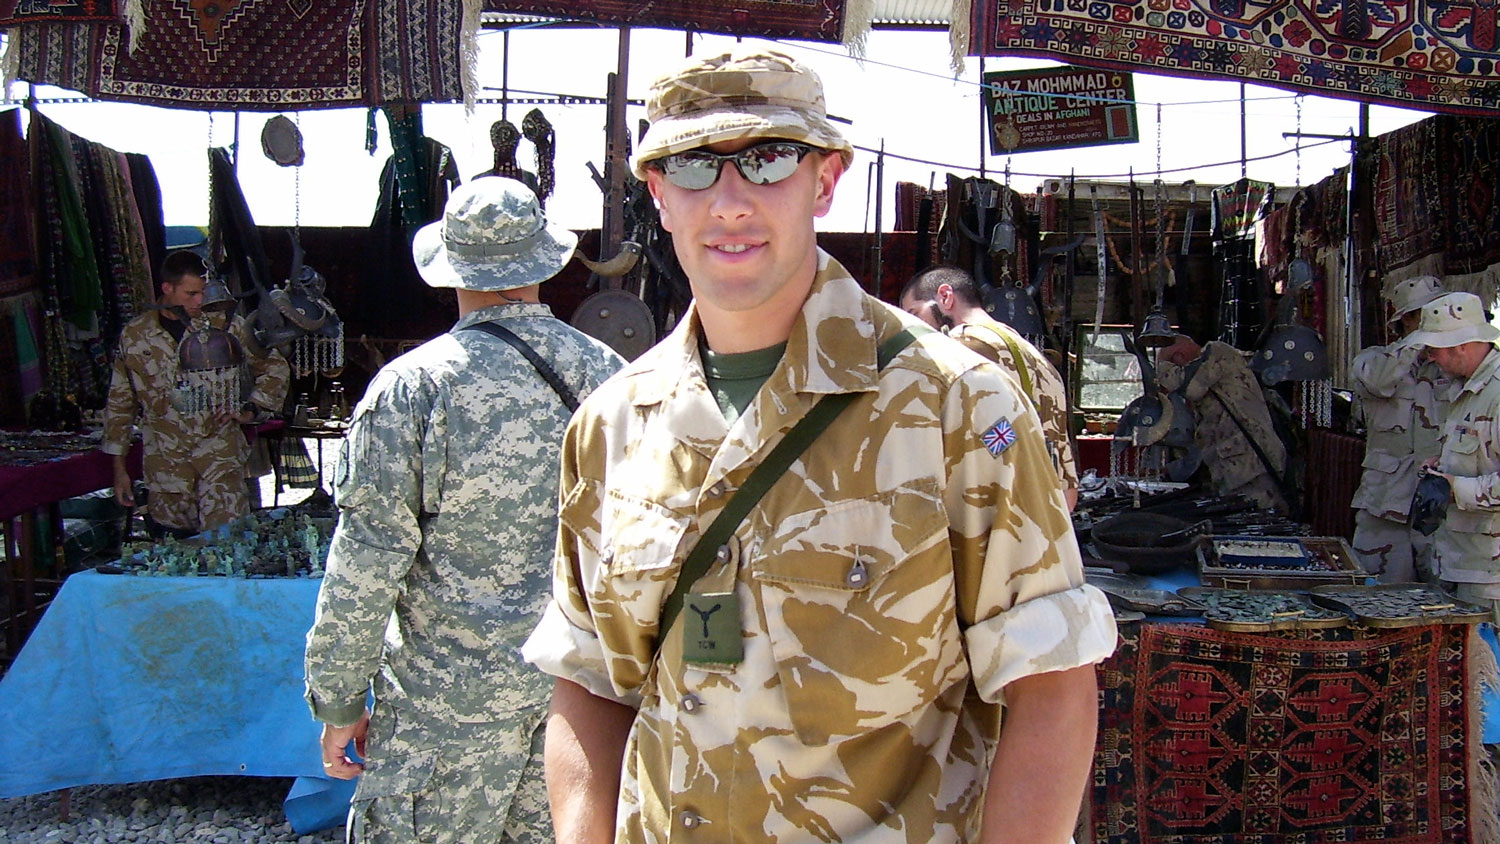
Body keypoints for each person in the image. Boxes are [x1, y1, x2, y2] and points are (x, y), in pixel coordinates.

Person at [521, 49, 1117, 844]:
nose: (730, 202)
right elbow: (591, 681)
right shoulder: (611, 426)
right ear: (658, 195)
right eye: (693, 167)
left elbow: (1052, 684)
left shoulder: (954, 405)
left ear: (825, 180)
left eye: (768, 161)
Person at [303, 177, 625, 844]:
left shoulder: (413, 389)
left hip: (443, 713)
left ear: (450, 268)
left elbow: (365, 564)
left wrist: (338, 700)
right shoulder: (614, 378)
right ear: (544, 261)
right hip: (577, 708)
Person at [102, 250, 290, 537]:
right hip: (167, 470)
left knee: (228, 552)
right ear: (167, 288)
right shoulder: (136, 335)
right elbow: (120, 403)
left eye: (203, 292)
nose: (200, 301)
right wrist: (119, 471)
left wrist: (251, 409)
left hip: (220, 465)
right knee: (174, 559)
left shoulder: (226, 327)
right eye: (190, 294)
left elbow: (274, 368)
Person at [899, 264, 1080, 510]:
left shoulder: (953, 350)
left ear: (945, 296)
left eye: (915, 313)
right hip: (1048, 521)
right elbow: (1068, 482)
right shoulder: (1038, 358)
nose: (914, 327)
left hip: (990, 518)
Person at [1350, 275, 1451, 582]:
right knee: (1378, 596)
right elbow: (1379, 382)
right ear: (1407, 319)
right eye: (1429, 313)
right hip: (1385, 503)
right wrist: (1415, 344)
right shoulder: (1374, 360)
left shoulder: (1452, 366)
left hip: (1437, 503)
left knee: (1444, 598)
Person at [1405, 292, 1500, 618]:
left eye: (1434, 348)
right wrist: (1442, 467)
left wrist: (1454, 487)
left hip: (1491, 576)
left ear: (1461, 344)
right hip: (1462, 562)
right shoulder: (1467, 389)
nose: (1430, 357)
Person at [1156, 333, 1290, 511]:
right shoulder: (1205, 372)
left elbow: (1190, 388)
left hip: (1251, 463)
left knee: (1258, 516)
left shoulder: (1217, 351)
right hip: (1233, 466)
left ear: (1179, 356)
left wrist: (1162, 366)